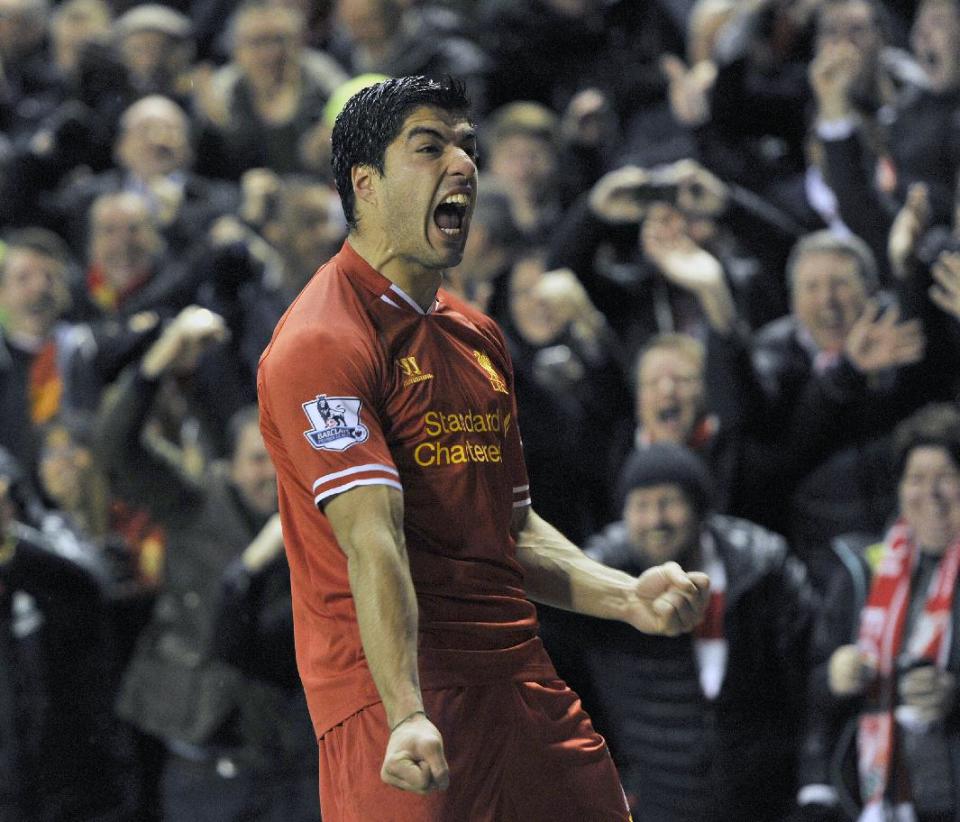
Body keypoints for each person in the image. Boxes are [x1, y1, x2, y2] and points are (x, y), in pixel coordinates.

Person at [257, 75, 710, 821]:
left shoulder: (476, 335)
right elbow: (373, 540)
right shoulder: (320, 343)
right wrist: (405, 712)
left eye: (467, 147)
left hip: (520, 681)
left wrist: (624, 595)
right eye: (429, 147)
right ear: (365, 185)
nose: (462, 164)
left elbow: (515, 530)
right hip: (394, 702)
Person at [583, 442, 816, 821]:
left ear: (700, 506)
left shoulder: (761, 568)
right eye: (641, 505)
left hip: (767, 802)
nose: (656, 518)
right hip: (660, 804)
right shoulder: (601, 578)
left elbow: (808, 674)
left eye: (669, 502)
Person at [798, 402, 960, 821]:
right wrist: (835, 677)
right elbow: (810, 691)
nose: (932, 495)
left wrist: (955, 697)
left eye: (946, 477)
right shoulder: (863, 571)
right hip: (878, 802)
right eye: (917, 479)